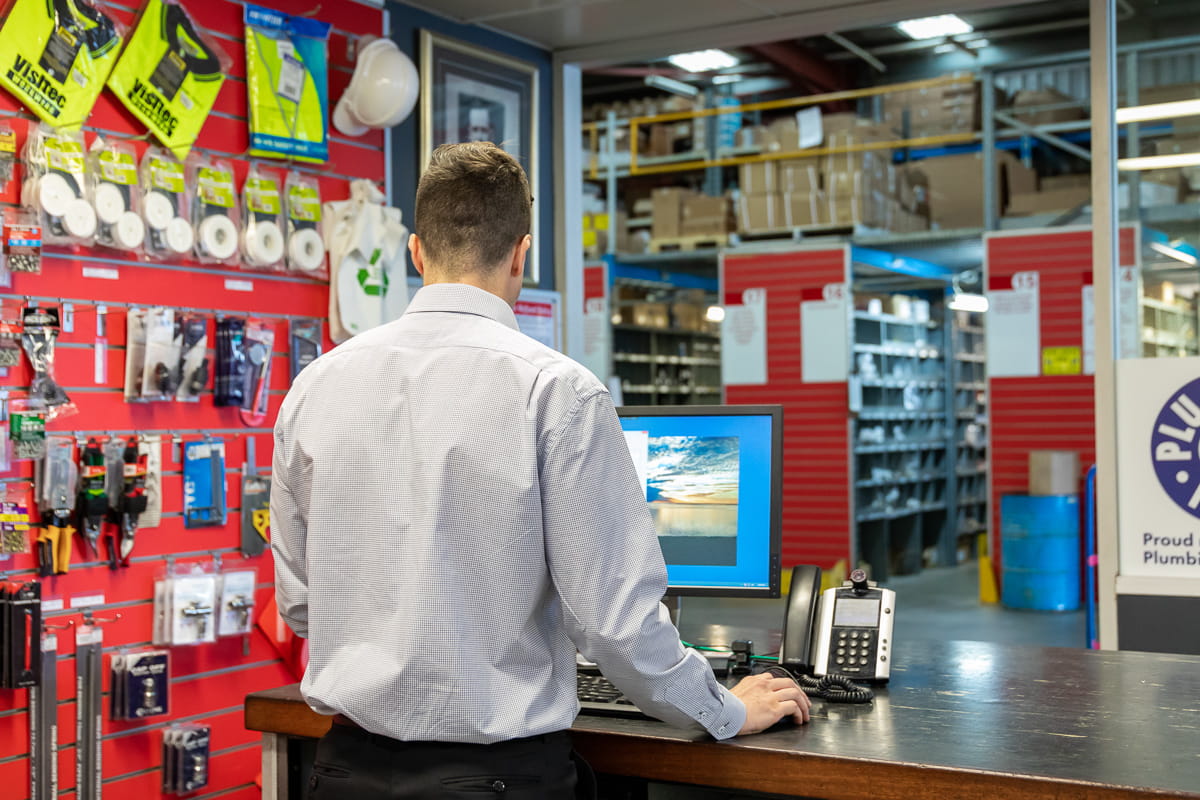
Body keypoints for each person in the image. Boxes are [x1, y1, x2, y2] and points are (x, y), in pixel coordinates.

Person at [271, 141, 810, 800]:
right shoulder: (557, 392)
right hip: (498, 782)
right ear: (522, 253)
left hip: (346, 774)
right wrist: (726, 708)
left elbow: (302, 605)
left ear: (417, 252)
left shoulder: (316, 386)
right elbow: (618, 626)